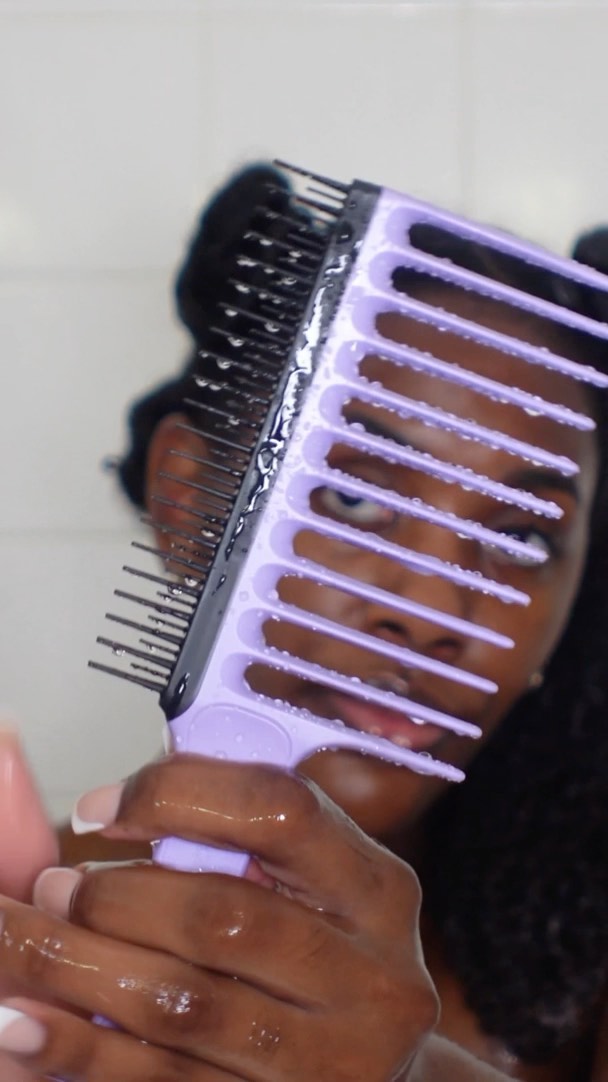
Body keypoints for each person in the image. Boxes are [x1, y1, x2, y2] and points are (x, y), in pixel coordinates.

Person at [0, 164, 606, 1082]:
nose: (433, 611)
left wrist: (414, 1073)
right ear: (188, 502)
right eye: (354, 497)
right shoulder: (25, 926)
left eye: (521, 538)